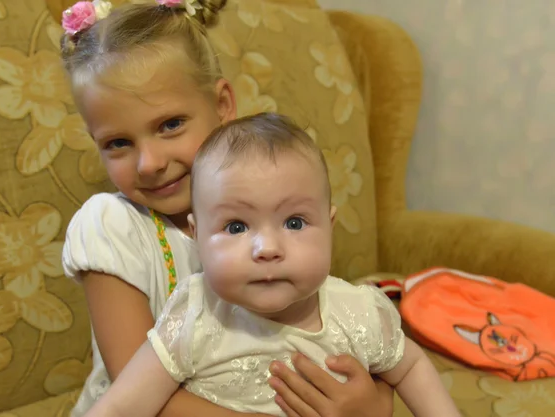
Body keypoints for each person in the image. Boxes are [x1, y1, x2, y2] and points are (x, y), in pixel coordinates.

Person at [60, 1, 395, 416]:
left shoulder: (263, 192)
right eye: (118, 143)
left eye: (170, 125)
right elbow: (141, 396)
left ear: (221, 105)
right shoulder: (111, 226)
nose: (150, 162)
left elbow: (334, 328)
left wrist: (373, 404)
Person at [82, 113, 461, 417]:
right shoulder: (195, 316)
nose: (266, 248)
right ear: (197, 236)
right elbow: (122, 406)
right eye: (236, 227)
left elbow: (411, 368)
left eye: (294, 223)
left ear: (329, 227)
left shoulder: (359, 313)